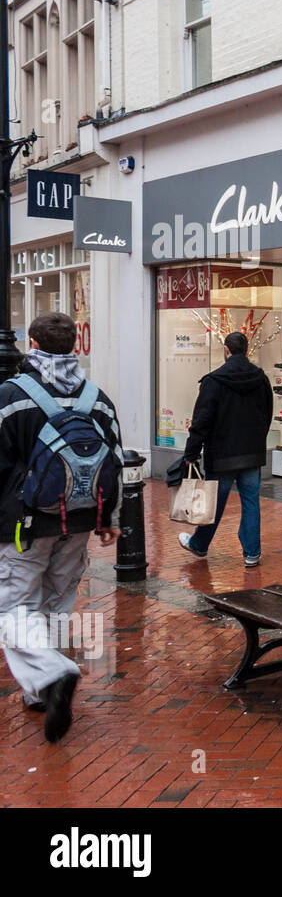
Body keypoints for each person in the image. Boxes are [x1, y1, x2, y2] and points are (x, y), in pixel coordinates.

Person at [0, 312, 122, 742]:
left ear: (31, 341)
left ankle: (53, 674)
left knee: (12, 606)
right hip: (80, 519)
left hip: (24, 524)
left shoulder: (11, 395)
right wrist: (110, 519)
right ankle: (40, 692)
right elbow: (115, 461)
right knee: (57, 600)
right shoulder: (97, 398)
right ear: (75, 344)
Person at [177, 331, 273, 567]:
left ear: (226, 350)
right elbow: (267, 413)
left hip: (222, 454)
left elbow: (201, 420)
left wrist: (191, 453)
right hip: (251, 453)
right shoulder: (261, 379)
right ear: (247, 350)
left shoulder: (214, 381)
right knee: (251, 502)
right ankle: (252, 552)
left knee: (214, 504)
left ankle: (200, 544)